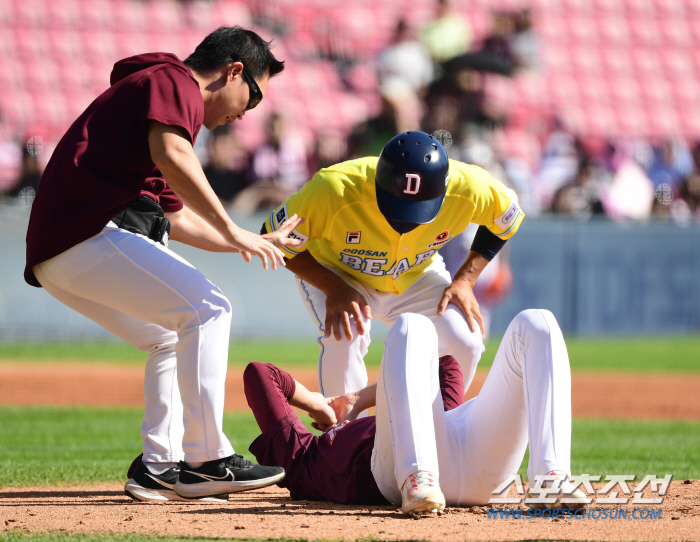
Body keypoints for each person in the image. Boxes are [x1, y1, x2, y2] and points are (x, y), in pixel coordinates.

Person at [23, 26, 298, 503]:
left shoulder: (157, 115)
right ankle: (208, 460)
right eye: (251, 99)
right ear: (234, 71)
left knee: (169, 338)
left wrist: (247, 240)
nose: (243, 115)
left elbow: (177, 219)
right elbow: (174, 155)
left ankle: (157, 467)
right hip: (85, 233)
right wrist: (234, 227)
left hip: (60, 252)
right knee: (210, 308)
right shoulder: (174, 81)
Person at [244, 310, 588, 515]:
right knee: (410, 324)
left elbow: (445, 367)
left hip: (468, 451)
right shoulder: (300, 457)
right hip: (395, 474)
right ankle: (417, 478)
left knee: (537, 322)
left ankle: (551, 477)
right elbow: (259, 374)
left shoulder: (414, 412)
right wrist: (316, 403)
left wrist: (358, 398)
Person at [262, 131, 524, 399]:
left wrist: (465, 280)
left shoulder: (469, 186)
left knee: (465, 340)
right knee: (345, 336)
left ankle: (440, 425)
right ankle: (342, 435)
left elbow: (508, 217)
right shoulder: (334, 188)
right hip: (338, 272)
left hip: (415, 274)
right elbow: (275, 237)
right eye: (398, 203)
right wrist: (334, 287)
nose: (405, 220)